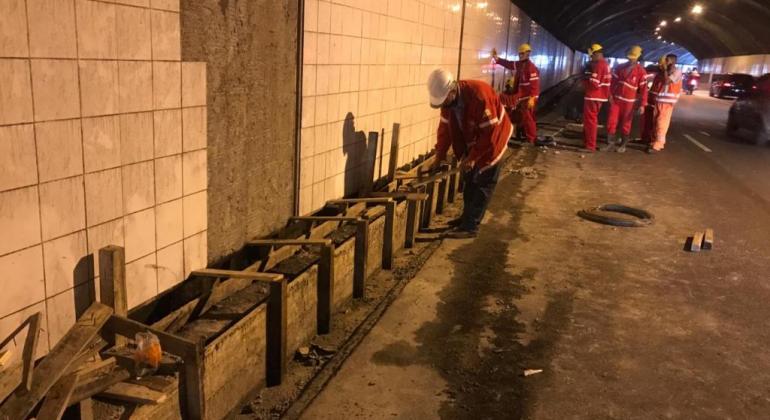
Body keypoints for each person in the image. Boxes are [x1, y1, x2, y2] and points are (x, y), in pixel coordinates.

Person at [427, 69, 512, 239]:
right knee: (469, 180)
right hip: (475, 139)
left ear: (452, 90)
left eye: (444, 101)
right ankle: (466, 218)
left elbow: (489, 134)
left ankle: (471, 226)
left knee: (482, 181)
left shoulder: (479, 96)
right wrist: (439, 156)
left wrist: (473, 158)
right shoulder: (449, 103)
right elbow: (445, 130)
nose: (443, 105)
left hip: (494, 139)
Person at [602, 45, 648, 153]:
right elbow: (612, 83)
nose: (631, 59)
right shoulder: (620, 67)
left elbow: (644, 90)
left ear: (638, 57)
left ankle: (623, 144)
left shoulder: (641, 72)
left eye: (633, 57)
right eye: (630, 57)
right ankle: (609, 143)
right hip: (616, 100)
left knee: (626, 124)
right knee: (611, 121)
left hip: (629, 103)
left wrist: (642, 105)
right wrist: (610, 95)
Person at [491, 44, 540, 144]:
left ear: (528, 54)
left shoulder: (531, 68)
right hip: (522, 96)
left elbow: (535, 85)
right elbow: (509, 64)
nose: (520, 55)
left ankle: (532, 138)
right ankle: (525, 135)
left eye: (522, 53)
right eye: (519, 53)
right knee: (523, 117)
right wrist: (497, 59)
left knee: (528, 117)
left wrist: (533, 98)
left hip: (528, 97)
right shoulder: (520, 65)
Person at [648, 54, 683, 153]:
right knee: (655, 122)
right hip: (660, 100)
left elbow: (667, 81)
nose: (665, 62)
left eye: (667, 60)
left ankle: (658, 145)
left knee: (661, 123)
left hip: (668, 101)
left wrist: (664, 70)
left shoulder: (677, 71)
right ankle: (654, 141)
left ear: (672, 61)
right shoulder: (665, 71)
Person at [583, 43, 612, 151]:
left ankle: (590, 146)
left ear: (597, 54)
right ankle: (588, 143)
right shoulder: (606, 64)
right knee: (591, 120)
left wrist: (587, 77)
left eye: (592, 55)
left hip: (593, 96)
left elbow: (594, 83)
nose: (591, 58)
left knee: (590, 121)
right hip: (599, 97)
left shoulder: (599, 65)